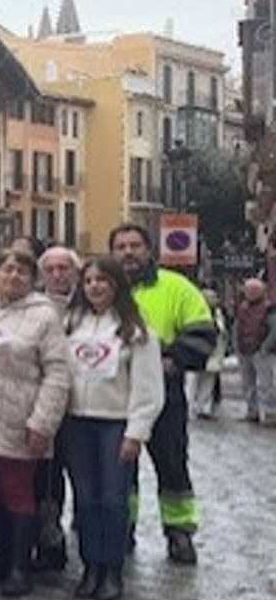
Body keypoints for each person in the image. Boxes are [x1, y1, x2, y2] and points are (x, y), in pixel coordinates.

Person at [0, 249, 70, 598]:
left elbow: (58, 372)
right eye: (7, 269)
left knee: (18, 492)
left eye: (22, 271)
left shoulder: (45, 317)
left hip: (18, 418)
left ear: (31, 278)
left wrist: (43, 422)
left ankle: (20, 565)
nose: (13, 276)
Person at [111, 223, 216, 565]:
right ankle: (120, 528)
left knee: (171, 463)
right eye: (121, 247)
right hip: (113, 394)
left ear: (149, 250)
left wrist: (174, 361)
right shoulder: (102, 287)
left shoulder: (176, 287)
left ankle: (179, 532)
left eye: (135, 246)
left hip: (164, 394)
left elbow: (202, 330)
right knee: (119, 467)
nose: (128, 253)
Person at [61, 257, 164, 600]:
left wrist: (137, 431)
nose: (95, 287)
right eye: (88, 281)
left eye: (102, 280)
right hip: (77, 422)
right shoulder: (70, 324)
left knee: (113, 499)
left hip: (114, 423)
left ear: (116, 284)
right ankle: (90, 565)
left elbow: (147, 387)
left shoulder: (136, 330)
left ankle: (112, 569)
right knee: (85, 499)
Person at [34, 244, 82, 571]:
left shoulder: (91, 305)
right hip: (44, 405)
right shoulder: (31, 306)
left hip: (84, 408)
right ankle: (49, 540)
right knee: (46, 481)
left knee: (86, 481)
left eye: (63, 268)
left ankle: (98, 547)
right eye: (50, 269)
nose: (57, 275)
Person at [236, 278, 273, 424]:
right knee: (248, 384)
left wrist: (265, 347)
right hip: (244, 350)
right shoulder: (242, 308)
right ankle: (252, 412)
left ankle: (270, 412)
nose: (249, 293)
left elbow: (274, 329)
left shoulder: (269, 308)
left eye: (252, 290)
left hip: (261, 351)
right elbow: (237, 327)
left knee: (266, 384)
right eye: (247, 290)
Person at [187, 289, 228, 420]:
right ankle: (189, 408)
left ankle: (203, 407)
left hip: (215, 352)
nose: (214, 300)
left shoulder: (219, 314)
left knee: (208, 381)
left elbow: (222, 331)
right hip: (196, 350)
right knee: (192, 381)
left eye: (215, 297)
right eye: (211, 298)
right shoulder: (194, 311)